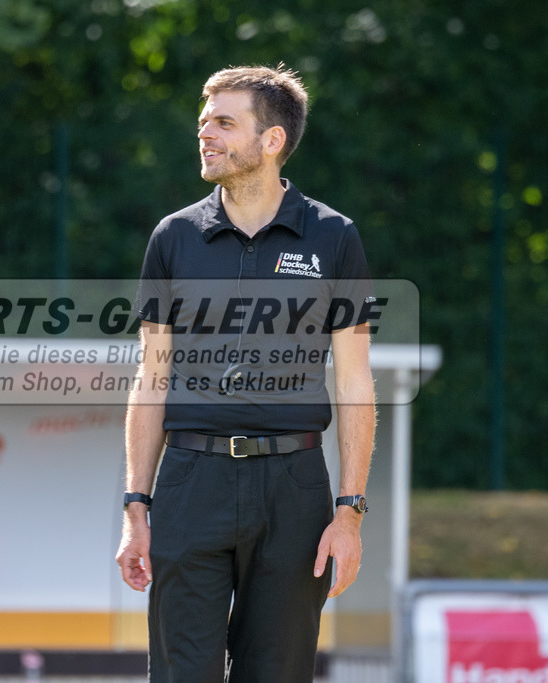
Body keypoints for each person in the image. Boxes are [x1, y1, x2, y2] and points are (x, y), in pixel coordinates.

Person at [115, 65, 376, 681]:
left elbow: (354, 383)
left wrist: (349, 513)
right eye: (203, 122)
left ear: (272, 139)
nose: (205, 134)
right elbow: (150, 379)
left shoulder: (334, 237)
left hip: (294, 487)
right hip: (190, 480)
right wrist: (135, 508)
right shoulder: (174, 236)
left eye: (224, 123)